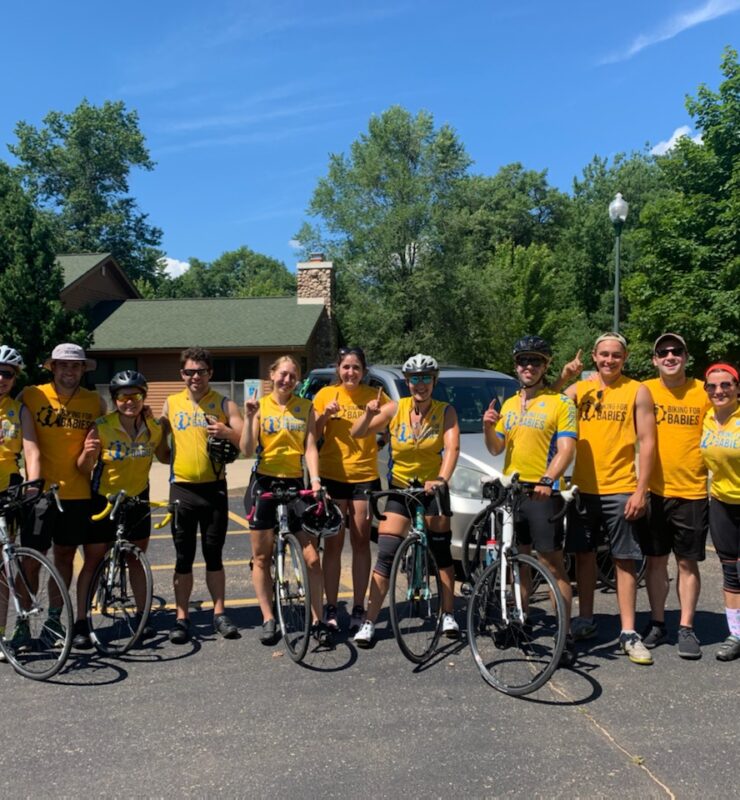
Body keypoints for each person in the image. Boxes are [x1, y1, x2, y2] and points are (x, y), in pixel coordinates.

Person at [350, 353, 460, 648]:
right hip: (401, 489)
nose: (420, 384)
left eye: (426, 378)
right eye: (414, 379)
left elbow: (452, 448)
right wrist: (369, 414)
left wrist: (441, 479)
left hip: (433, 489)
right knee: (386, 553)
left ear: (434, 381)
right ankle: (369, 621)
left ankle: (448, 613)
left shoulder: (445, 411)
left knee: (441, 553)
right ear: (407, 382)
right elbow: (357, 432)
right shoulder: (395, 408)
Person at [483, 335, 578, 666]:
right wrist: (488, 427)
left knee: (552, 565)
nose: (529, 366)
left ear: (546, 366)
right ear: (516, 365)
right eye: (523, 360)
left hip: (543, 493)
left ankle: (564, 634)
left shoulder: (560, 403)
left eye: (536, 361)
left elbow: (566, 449)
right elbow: (496, 449)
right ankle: (519, 622)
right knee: (517, 561)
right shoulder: (509, 404)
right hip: (514, 493)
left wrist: (548, 480)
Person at [563, 332, 656, 665]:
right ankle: (586, 619)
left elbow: (648, 442)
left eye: (616, 355)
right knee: (584, 556)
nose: (609, 360)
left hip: (621, 487)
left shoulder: (637, 390)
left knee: (624, 559)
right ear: (594, 356)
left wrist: (641, 489)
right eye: (604, 354)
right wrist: (565, 377)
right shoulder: (580, 390)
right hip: (583, 488)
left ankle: (628, 632)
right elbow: (548, 405)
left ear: (624, 358)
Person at [19, 343, 107, 649]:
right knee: (30, 561)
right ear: (52, 367)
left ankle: (54, 621)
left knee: (65, 557)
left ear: (83, 369)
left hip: (77, 493)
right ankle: (22, 623)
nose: (69, 370)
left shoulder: (95, 401)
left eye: (75, 365)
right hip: (39, 493)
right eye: (63, 365)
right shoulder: (31, 394)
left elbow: (110, 429)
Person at [239, 355, 330, 645]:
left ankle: (317, 620)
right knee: (261, 557)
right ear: (272, 375)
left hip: (294, 483)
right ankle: (269, 618)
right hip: (264, 482)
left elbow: (310, 447)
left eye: (293, 375)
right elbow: (246, 449)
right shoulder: (259, 406)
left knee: (312, 558)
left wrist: (315, 481)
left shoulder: (305, 407)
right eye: (283, 374)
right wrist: (250, 417)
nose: (287, 380)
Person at [159, 347, 243, 644]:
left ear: (211, 373)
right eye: (189, 372)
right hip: (182, 488)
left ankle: (219, 613)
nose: (195, 377)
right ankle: (182, 617)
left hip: (214, 488)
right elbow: (160, 448)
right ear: (182, 374)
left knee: (213, 554)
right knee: (183, 557)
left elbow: (247, 442)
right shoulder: (171, 403)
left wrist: (227, 432)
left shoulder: (224, 403)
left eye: (201, 371)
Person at [77, 371, 168, 640]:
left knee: (135, 559)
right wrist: (87, 453)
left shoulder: (153, 428)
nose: (130, 401)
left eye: (136, 396)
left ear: (143, 397)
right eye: (123, 397)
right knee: (93, 560)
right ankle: (81, 622)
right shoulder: (101, 426)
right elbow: (83, 468)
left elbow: (165, 456)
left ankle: (142, 615)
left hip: (137, 499)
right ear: (114, 400)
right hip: (103, 500)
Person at [641, 334, 711, 659]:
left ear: (686, 356)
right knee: (656, 561)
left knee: (687, 562)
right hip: (654, 492)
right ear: (654, 359)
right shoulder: (644, 390)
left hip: (692, 491)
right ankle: (658, 623)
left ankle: (686, 627)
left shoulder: (704, 391)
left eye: (676, 351)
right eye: (663, 352)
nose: (670, 356)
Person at [313, 346, 392, 633]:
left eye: (356, 367)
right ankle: (331, 606)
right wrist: (325, 416)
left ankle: (359, 606)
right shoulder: (325, 395)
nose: (350, 372)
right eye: (346, 367)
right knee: (333, 545)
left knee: (360, 543)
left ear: (364, 370)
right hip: (332, 476)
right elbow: (313, 434)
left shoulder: (375, 396)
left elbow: (389, 426)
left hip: (364, 478)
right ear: (338, 369)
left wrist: (378, 439)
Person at [0, 346, 41, 659]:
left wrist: (33, 486)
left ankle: (1, 635)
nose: (1, 378)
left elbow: (31, 451)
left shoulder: (19, 410)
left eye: (8, 374)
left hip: (8, 491)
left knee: (3, 568)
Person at [699, 363, 740, 662]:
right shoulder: (707, 419)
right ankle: (736, 634)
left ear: (737, 388)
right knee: (730, 571)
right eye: (712, 386)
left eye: (726, 384)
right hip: (722, 503)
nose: (719, 391)